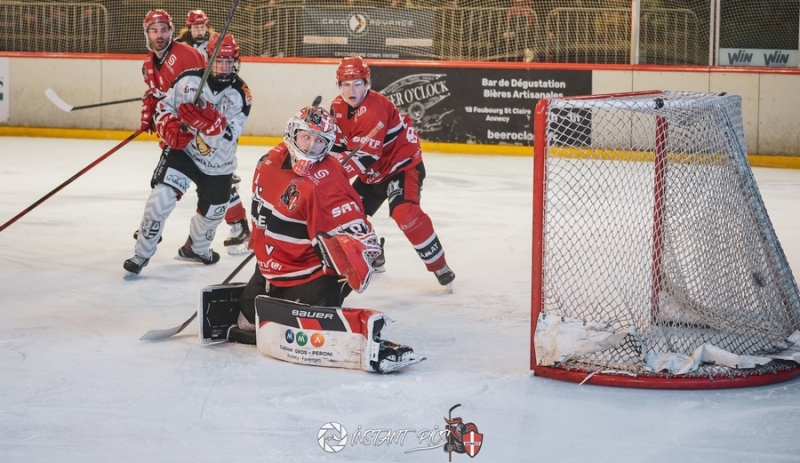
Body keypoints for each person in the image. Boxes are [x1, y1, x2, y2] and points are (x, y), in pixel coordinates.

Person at [236, 105, 380, 331]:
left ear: (328, 144)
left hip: (308, 276)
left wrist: (360, 247)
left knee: (296, 329)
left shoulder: (327, 182)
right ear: (293, 134)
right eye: (306, 137)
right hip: (269, 271)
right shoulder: (268, 161)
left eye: (320, 141)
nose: (312, 146)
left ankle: (324, 297)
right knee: (246, 324)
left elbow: (351, 224)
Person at [124, 33, 252, 275]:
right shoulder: (187, 80)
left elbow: (229, 136)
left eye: (228, 61)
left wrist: (212, 125)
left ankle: (195, 248)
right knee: (159, 202)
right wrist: (168, 127)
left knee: (212, 215)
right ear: (208, 59)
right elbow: (164, 107)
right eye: (218, 60)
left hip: (218, 163)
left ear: (236, 61)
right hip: (185, 153)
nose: (224, 67)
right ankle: (141, 254)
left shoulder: (240, 94)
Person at [329, 56, 456, 290]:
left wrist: (328, 179)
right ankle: (374, 251)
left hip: (400, 166)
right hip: (371, 173)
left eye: (357, 83)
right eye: (346, 84)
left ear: (367, 83)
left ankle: (439, 265)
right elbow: (337, 147)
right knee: (344, 213)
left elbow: (365, 156)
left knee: (405, 213)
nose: (351, 90)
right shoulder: (337, 107)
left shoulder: (375, 108)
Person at [175, 9, 251, 253]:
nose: (198, 30)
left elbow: (231, 126)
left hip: (212, 124)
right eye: (194, 26)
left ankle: (236, 224)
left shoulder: (238, 90)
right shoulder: (181, 47)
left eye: (202, 26)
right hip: (190, 114)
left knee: (216, 174)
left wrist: (211, 121)